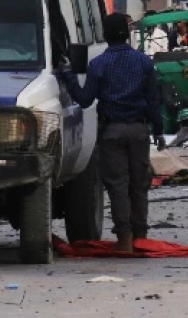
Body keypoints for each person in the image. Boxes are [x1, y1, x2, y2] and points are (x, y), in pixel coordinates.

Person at [58, 13, 163, 253]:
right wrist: (158, 129)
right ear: (127, 35)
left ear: (104, 36)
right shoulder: (143, 62)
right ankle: (141, 235)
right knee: (139, 184)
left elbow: (84, 100)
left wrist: (68, 76)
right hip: (139, 130)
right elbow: (154, 100)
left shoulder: (98, 65)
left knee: (117, 185)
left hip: (112, 131)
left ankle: (124, 238)